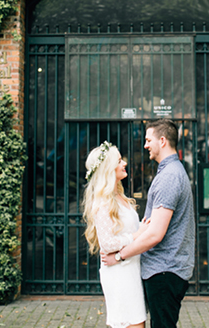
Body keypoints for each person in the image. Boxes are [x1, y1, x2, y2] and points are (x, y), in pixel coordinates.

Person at [101, 119, 196, 328]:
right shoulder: (171, 172)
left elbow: (155, 234)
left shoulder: (169, 177)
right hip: (167, 269)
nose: (145, 145)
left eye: (148, 140)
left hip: (164, 270)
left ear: (162, 141)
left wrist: (118, 256)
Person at [82, 141, 147, 328]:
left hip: (130, 269)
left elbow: (132, 229)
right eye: (119, 160)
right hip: (119, 273)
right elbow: (108, 244)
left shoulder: (120, 196)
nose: (124, 163)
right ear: (108, 168)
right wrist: (136, 236)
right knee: (132, 323)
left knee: (136, 322)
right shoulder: (102, 203)